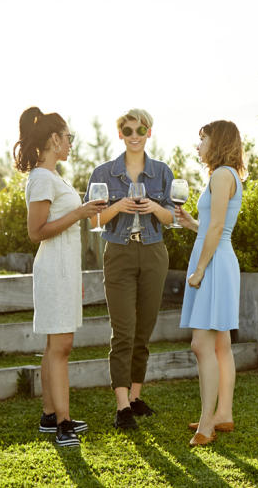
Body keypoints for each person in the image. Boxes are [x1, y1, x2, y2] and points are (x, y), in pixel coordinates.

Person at [15, 107, 105, 446]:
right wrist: (80, 212)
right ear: (54, 139)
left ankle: (50, 415)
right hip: (53, 269)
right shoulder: (41, 178)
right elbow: (36, 232)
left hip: (65, 270)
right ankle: (63, 423)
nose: (71, 143)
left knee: (57, 344)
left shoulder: (53, 177)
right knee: (61, 346)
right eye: (69, 137)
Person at [85, 109, 174, 429]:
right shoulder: (104, 173)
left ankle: (136, 397)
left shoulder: (162, 172)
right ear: (119, 134)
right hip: (119, 253)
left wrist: (154, 208)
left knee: (144, 329)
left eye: (140, 129)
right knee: (123, 331)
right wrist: (118, 207)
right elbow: (93, 220)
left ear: (149, 132)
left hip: (153, 252)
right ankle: (122, 406)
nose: (134, 135)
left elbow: (173, 219)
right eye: (127, 130)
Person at [175, 121, 245, 447]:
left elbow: (217, 228)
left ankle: (207, 424)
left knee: (202, 344)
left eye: (201, 139)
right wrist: (192, 224)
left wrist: (200, 269)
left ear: (216, 142)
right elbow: (212, 227)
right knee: (220, 345)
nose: (197, 145)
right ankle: (223, 414)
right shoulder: (228, 175)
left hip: (214, 264)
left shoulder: (220, 175)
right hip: (220, 259)